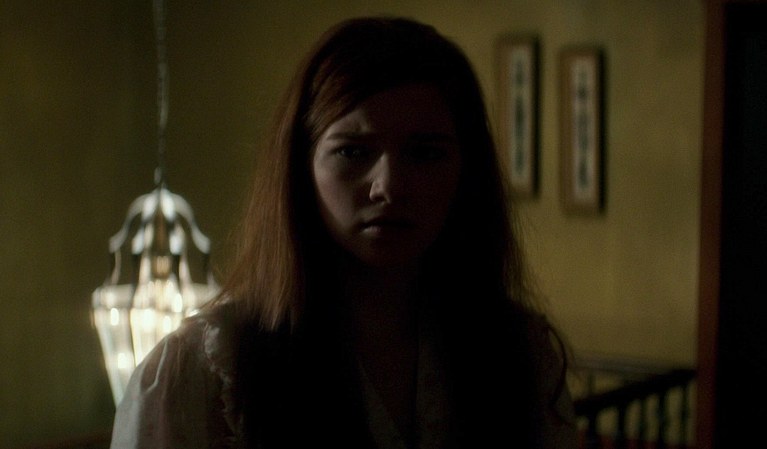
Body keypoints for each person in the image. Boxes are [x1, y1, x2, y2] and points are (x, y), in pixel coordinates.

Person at [110, 16, 578, 449]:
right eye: (353, 152)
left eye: (425, 153)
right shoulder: (204, 371)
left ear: (465, 170)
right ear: (302, 167)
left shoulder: (519, 354)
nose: (388, 186)